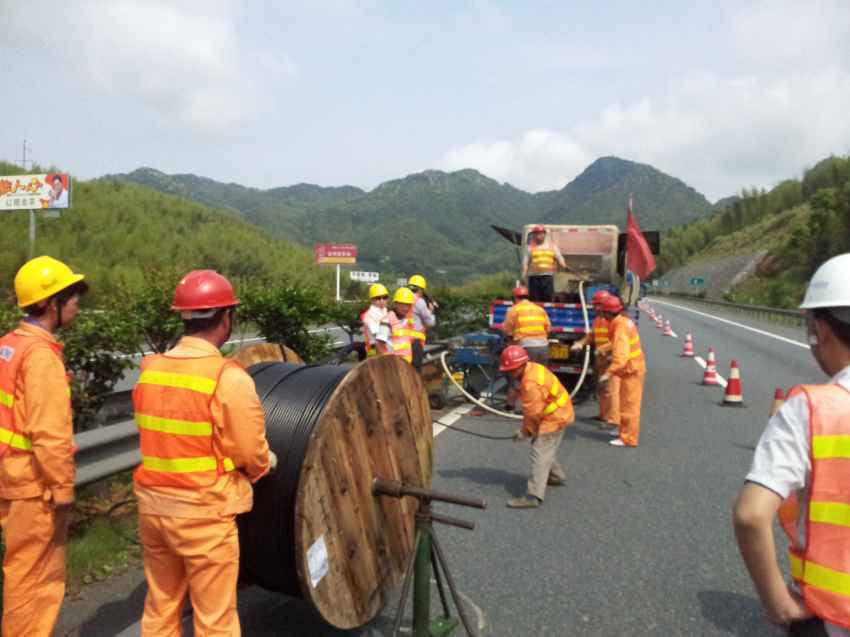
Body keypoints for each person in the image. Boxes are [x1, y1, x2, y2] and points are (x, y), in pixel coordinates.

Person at [133, 269, 275, 636]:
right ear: (227, 319)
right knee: (215, 619)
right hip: (204, 515)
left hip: (154, 509)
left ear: (183, 317)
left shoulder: (150, 371)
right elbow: (250, 450)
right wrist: (263, 467)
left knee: (161, 607)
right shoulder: (227, 378)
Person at [734, 253, 850, 636]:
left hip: (833, 618)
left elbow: (751, 515)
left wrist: (776, 601)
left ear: (821, 330)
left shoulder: (813, 408)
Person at [0, 255, 87, 636]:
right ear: (51, 304)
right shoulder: (41, 357)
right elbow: (48, 434)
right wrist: (63, 488)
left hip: (10, 475)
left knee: (20, 571)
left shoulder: (9, 345)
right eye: (73, 298)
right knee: (36, 581)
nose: (78, 305)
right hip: (34, 487)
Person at [499, 345, 574, 509]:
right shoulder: (533, 368)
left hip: (555, 416)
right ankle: (555, 475)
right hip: (559, 411)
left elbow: (532, 414)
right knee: (544, 447)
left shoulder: (531, 383)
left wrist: (525, 432)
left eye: (511, 370)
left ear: (520, 366)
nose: (509, 373)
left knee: (540, 450)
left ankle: (533, 496)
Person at [597, 294, 645, 447]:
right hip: (631, 368)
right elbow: (616, 343)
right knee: (626, 403)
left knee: (629, 406)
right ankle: (623, 431)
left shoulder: (620, 327)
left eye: (602, 312)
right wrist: (603, 349)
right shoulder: (622, 322)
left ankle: (628, 438)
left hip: (631, 369)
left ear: (608, 313)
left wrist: (608, 373)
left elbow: (621, 356)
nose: (601, 315)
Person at [570, 290, 620, 430]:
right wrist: (581, 343)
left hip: (611, 358)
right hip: (600, 359)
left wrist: (603, 349)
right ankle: (603, 415)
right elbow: (592, 336)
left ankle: (613, 420)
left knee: (611, 390)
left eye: (597, 305)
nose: (594, 308)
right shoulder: (598, 320)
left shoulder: (613, 321)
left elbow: (618, 341)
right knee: (601, 389)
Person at [501, 286, 551, 411]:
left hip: (526, 347)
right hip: (543, 347)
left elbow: (507, 330)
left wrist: (511, 340)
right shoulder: (539, 309)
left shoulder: (514, 310)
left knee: (519, 378)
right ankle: (540, 405)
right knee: (540, 377)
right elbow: (548, 328)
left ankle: (510, 406)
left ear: (514, 298)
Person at [521, 225, 567, 303]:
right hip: (534, 278)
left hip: (547, 277)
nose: (538, 236)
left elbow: (560, 258)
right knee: (535, 299)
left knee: (548, 299)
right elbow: (525, 263)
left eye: (540, 233)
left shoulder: (553, 247)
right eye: (535, 234)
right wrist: (523, 276)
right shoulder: (529, 248)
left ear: (544, 234)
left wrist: (563, 264)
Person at [376, 288, 416, 363]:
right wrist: (388, 363)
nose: (405, 308)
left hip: (406, 364)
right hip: (392, 365)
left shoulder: (407, 320)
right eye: (402, 304)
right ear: (395, 304)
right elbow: (379, 346)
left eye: (408, 305)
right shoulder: (387, 320)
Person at [407, 274, 436, 372]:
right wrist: (431, 310)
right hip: (415, 342)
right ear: (421, 290)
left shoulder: (403, 298)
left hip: (402, 341)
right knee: (415, 371)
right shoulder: (419, 302)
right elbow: (430, 322)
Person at [360, 283, 389, 357]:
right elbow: (378, 335)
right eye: (378, 298)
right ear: (372, 300)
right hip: (376, 350)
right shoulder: (369, 315)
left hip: (387, 347)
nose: (382, 300)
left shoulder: (385, 311)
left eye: (385, 297)